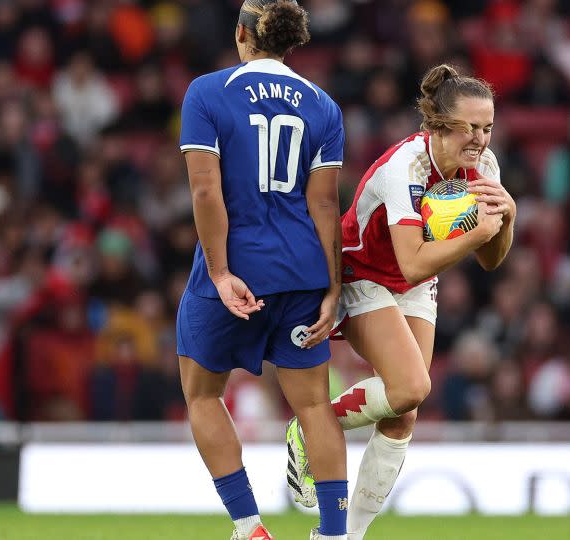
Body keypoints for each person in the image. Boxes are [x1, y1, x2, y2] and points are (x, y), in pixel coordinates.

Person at [285, 64, 516, 539]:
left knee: (403, 412)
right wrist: (480, 231)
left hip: (413, 282)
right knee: (412, 386)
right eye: (469, 127)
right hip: (360, 272)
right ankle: (313, 425)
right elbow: (411, 261)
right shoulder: (404, 167)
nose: (480, 139)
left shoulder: (485, 168)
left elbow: (492, 260)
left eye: (488, 127)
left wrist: (507, 218)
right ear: (436, 124)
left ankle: (345, 535)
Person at [176, 2, 348, 539]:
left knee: (203, 394)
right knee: (315, 405)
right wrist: (334, 287)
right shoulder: (323, 104)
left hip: (237, 268)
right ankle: (334, 533)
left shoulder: (206, 92)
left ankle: (250, 527)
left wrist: (221, 273)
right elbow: (325, 205)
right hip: (302, 272)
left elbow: (206, 190)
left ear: (241, 34)